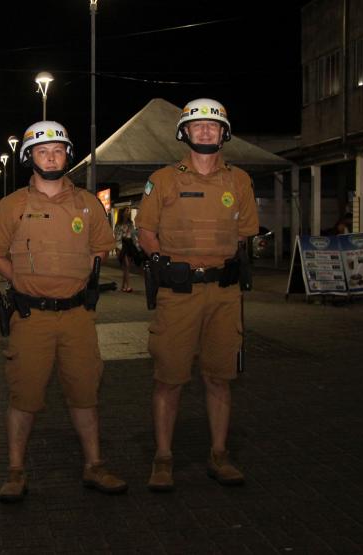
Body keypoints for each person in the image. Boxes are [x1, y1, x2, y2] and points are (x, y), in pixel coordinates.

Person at [0, 120, 125, 502]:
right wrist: (21, 280)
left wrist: (83, 275)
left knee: (85, 393)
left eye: (58, 151)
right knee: (24, 396)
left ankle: (94, 465)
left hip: (78, 317)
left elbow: (102, 246)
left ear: (68, 155)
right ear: (29, 157)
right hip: (31, 319)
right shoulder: (12, 205)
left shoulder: (87, 203)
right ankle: (15, 472)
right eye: (42, 151)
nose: (50, 157)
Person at [136, 98, 258, 491]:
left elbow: (245, 234)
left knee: (220, 378)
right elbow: (146, 231)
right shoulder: (163, 179)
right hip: (179, 293)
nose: (205, 130)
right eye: (197, 125)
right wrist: (160, 260)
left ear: (224, 133)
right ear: (184, 132)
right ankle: (163, 458)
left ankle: (219, 455)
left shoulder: (239, 181)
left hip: (224, 293)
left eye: (213, 125)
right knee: (169, 378)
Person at [114, 208, 136, 292]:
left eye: (128, 211)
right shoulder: (118, 225)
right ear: (122, 213)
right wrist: (118, 249)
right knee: (126, 265)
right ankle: (128, 286)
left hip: (129, 245)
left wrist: (136, 246)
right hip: (121, 246)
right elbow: (117, 237)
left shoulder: (130, 224)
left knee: (126, 267)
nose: (128, 212)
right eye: (126, 211)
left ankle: (123, 286)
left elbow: (133, 235)